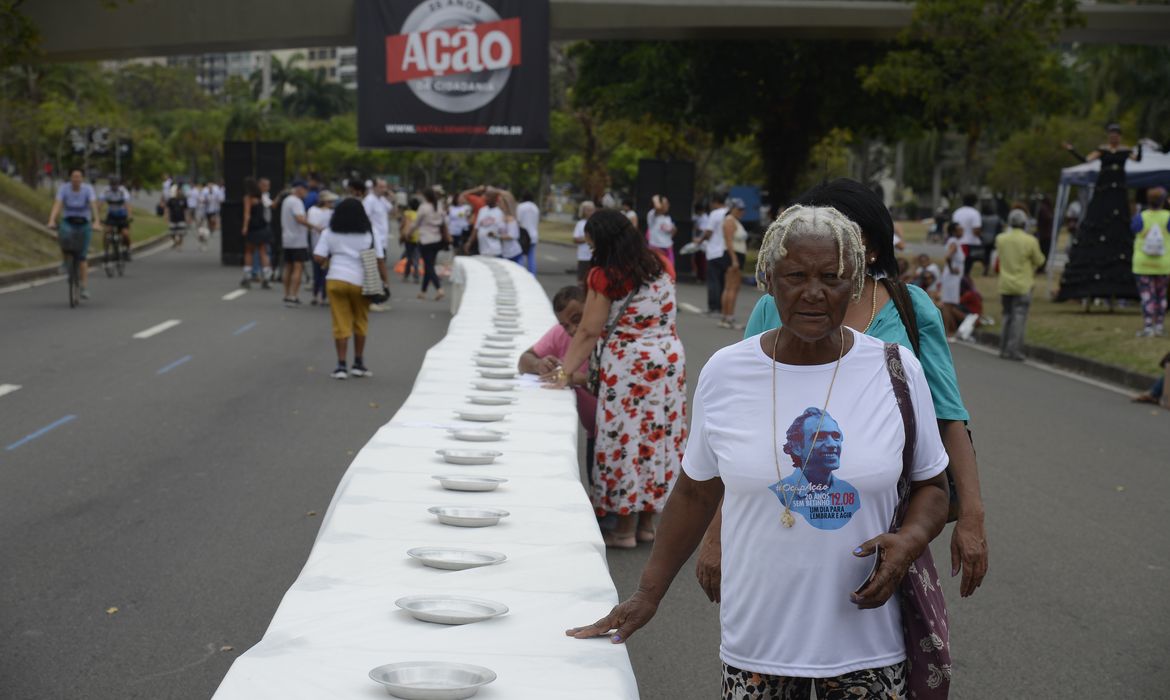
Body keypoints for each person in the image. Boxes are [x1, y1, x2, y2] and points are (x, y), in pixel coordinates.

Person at [569, 205, 951, 700]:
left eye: (832, 277)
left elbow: (933, 486)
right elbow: (694, 493)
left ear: (854, 283)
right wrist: (648, 593)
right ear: (768, 279)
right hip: (756, 650)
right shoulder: (728, 372)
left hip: (868, 650)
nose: (813, 292)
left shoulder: (896, 370)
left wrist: (912, 539)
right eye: (796, 275)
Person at [723, 178, 987, 603]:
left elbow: (949, 416)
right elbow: (737, 424)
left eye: (840, 229)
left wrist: (972, 517)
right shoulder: (774, 305)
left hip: (890, 517)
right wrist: (716, 534)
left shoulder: (911, 307)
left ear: (873, 248)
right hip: (786, 514)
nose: (823, 236)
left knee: (887, 623)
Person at [544, 209, 687, 548]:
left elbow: (589, 330)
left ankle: (623, 529)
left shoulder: (604, 276)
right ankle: (647, 526)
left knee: (626, 441)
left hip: (628, 367)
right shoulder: (659, 264)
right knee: (657, 440)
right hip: (667, 363)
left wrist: (565, 372)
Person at [1060, 124, 1144, 308]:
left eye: (1117, 135)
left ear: (1120, 137)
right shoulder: (1102, 150)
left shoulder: (1125, 151)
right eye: (1112, 134)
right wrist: (1072, 150)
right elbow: (1086, 159)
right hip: (1103, 193)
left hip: (1118, 194)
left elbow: (1138, 159)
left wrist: (1140, 147)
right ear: (1109, 136)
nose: (1114, 137)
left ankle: (1119, 294)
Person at [518, 285, 598, 474]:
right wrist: (539, 364)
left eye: (577, 320)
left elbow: (615, 383)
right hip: (593, 434)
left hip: (616, 432)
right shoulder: (560, 334)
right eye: (565, 325)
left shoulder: (607, 336)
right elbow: (523, 360)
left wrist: (574, 377)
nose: (572, 329)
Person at [312, 198, 387, 380]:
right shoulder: (370, 232)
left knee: (340, 322)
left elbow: (318, 257)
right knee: (360, 321)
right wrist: (385, 281)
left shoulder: (329, 232)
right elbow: (379, 259)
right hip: (361, 281)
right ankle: (358, 363)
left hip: (336, 279)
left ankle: (341, 366)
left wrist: (332, 257)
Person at [995, 208, 1046, 360]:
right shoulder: (1030, 241)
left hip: (1005, 283)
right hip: (1023, 284)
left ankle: (1003, 348)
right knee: (1019, 318)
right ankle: (1014, 349)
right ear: (1024, 223)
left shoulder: (1001, 239)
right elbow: (1040, 260)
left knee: (1006, 316)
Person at [46, 168, 100, 299]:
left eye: (78, 177)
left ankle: (84, 287)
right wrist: (52, 220)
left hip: (84, 223)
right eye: (74, 177)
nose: (76, 179)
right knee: (63, 237)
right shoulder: (64, 189)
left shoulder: (88, 189)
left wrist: (97, 221)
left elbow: (93, 205)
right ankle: (65, 262)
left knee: (82, 257)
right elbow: (57, 205)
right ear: (70, 178)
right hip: (69, 221)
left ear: (82, 178)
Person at [1130, 186, 1170, 337]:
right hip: (1163, 264)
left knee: (1147, 296)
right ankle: (1159, 326)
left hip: (1143, 263)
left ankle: (1148, 326)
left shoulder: (1141, 217)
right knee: (1161, 296)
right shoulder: (1168, 217)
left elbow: (1133, 229)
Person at [280, 180, 311, 307]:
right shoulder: (297, 202)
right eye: (305, 189)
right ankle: (294, 295)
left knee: (288, 267)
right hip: (298, 240)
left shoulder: (287, 200)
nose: (306, 192)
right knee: (298, 267)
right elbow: (299, 219)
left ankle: (287, 294)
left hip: (287, 238)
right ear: (299, 189)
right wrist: (314, 226)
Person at [720, 198, 749, 330]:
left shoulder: (735, 221)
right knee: (731, 287)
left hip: (737, 255)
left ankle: (726, 316)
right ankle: (728, 317)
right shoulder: (730, 221)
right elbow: (728, 241)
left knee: (732, 287)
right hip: (734, 255)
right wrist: (734, 259)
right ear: (732, 208)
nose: (741, 212)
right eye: (739, 209)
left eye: (742, 209)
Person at [412, 188, 447, 301]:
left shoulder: (424, 207)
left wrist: (408, 233)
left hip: (426, 240)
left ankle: (439, 288)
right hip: (437, 239)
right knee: (429, 265)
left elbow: (416, 223)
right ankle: (423, 291)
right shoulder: (439, 206)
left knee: (429, 266)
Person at [306, 190, 337, 306]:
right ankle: (318, 295)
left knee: (322, 272)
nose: (332, 203)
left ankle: (321, 296)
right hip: (320, 245)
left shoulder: (329, 212)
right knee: (320, 272)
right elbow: (317, 226)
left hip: (323, 246)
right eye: (330, 201)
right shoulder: (316, 211)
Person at [700, 194, 729, 314]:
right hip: (726, 250)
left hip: (714, 251)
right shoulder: (729, 212)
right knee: (723, 280)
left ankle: (713, 307)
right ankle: (722, 307)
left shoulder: (715, 214)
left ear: (715, 202)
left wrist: (700, 240)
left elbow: (709, 232)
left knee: (713, 280)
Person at [240, 177, 272, 289]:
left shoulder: (248, 198)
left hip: (252, 228)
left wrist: (244, 227)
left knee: (249, 251)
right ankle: (267, 276)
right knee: (263, 252)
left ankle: (247, 276)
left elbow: (247, 214)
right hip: (263, 227)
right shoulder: (261, 197)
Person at [939, 219, 966, 335]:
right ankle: (946, 330)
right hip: (951, 277)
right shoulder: (954, 242)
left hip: (952, 277)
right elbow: (948, 257)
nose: (962, 232)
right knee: (948, 305)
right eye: (960, 230)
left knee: (949, 304)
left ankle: (949, 329)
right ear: (954, 231)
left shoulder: (953, 241)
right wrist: (951, 269)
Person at [101, 177, 132, 261]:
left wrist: (129, 216)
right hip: (111, 215)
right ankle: (105, 252)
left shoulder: (123, 191)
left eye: (116, 185)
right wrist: (96, 216)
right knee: (107, 231)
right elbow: (100, 203)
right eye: (112, 185)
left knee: (125, 234)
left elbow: (127, 204)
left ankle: (127, 250)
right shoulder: (106, 190)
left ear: (118, 184)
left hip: (122, 216)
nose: (114, 187)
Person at [467, 190, 505, 258]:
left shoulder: (499, 212)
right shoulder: (482, 210)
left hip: (494, 250)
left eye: (489, 196)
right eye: (486, 196)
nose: (486, 198)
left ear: (495, 198)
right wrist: (469, 242)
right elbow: (476, 228)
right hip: (482, 249)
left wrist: (495, 235)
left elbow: (503, 231)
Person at [951, 193, 982, 276]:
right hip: (970, 243)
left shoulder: (957, 212)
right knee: (967, 268)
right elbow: (976, 230)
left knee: (959, 265)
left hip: (958, 242)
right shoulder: (975, 213)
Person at [646, 194, 677, 264]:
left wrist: (673, 230)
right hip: (656, 249)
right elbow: (657, 205)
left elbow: (672, 232)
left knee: (670, 273)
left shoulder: (667, 218)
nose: (668, 205)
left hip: (668, 249)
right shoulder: (652, 214)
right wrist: (657, 197)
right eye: (665, 203)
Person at [516, 191, 540, 275]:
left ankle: (519, 273)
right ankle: (533, 275)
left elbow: (518, 221)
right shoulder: (535, 207)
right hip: (533, 235)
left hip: (523, 236)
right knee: (531, 257)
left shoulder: (521, 207)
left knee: (520, 256)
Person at [572, 201, 596, 283]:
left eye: (592, 210)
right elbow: (575, 239)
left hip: (594, 256)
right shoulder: (580, 224)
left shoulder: (596, 223)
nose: (590, 212)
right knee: (581, 280)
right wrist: (588, 238)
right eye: (588, 210)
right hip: (583, 256)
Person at [978, 202, 1001, 277]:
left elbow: (980, 229)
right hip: (994, 238)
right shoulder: (996, 218)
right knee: (994, 255)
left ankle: (986, 267)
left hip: (984, 239)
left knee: (986, 255)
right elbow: (999, 229)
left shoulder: (982, 218)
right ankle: (995, 267)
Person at [400, 197, 421, 281]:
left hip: (409, 237)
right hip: (418, 238)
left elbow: (402, 225)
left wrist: (401, 233)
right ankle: (416, 275)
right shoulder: (419, 214)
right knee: (416, 257)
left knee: (409, 257)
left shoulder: (407, 213)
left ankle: (406, 275)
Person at [165, 185, 188, 250]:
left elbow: (186, 209)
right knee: (171, 233)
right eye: (177, 191)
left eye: (180, 191)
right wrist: (166, 216)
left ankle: (179, 245)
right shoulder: (171, 199)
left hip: (181, 218)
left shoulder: (183, 199)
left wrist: (187, 218)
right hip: (173, 218)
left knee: (181, 233)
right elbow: (167, 208)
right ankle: (175, 242)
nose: (178, 192)